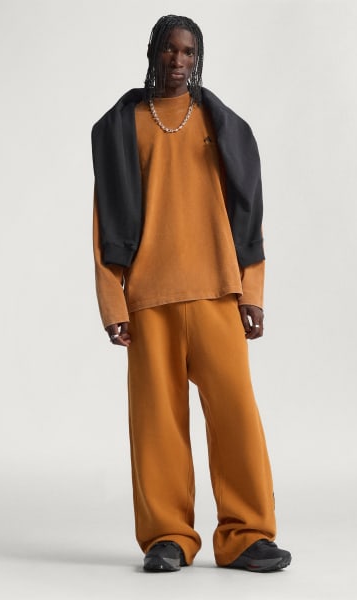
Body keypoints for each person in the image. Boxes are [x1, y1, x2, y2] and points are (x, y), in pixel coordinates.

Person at [91, 15, 291, 573]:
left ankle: (246, 535)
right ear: (152, 52)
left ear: (197, 58)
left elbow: (248, 212)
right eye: (169, 50)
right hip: (148, 298)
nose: (178, 60)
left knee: (236, 417)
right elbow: (105, 219)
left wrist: (252, 290)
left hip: (217, 294)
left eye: (188, 51)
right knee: (157, 425)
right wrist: (112, 300)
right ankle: (168, 537)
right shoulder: (123, 127)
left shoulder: (221, 124)